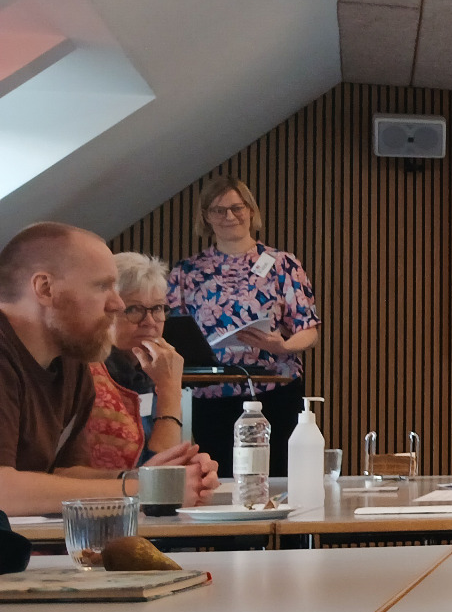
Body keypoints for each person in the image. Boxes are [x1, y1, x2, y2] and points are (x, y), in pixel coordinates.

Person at [0, 223, 218, 515]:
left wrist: (145, 479)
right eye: (102, 286)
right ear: (45, 288)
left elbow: (63, 474)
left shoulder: (72, 362)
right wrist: (141, 490)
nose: (116, 304)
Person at [167, 176, 320, 478]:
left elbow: (309, 328)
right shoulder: (187, 271)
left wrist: (283, 346)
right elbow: (174, 332)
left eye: (237, 208)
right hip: (212, 394)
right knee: (221, 478)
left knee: (279, 477)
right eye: (218, 210)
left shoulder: (282, 264)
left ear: (251, 211)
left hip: (275, 389)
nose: (229, 216)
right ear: (206, 218)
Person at [84, 253, 187, 471]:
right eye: (133, 310)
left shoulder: (147, 370)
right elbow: (158, 478)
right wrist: (170, 390)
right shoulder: (91, 375)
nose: (149, 322)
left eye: (157, 308)